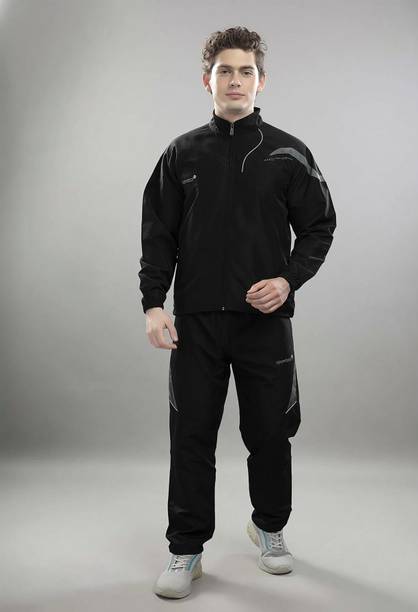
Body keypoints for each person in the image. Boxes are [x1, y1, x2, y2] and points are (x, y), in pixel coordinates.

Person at [138, 26, 337, 599]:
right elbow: (157, 235)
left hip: (263, 324)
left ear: (261, 81)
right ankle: (186, 549)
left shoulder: (288, 153)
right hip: (196, 324)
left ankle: (270, 528)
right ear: (207, 80)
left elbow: (320, 226)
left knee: (271, 432)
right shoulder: (181, 153)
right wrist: (153, 304)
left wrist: (287, 279)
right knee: (191, 435)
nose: (234, 80)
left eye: (245, 71)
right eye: (224, 71)